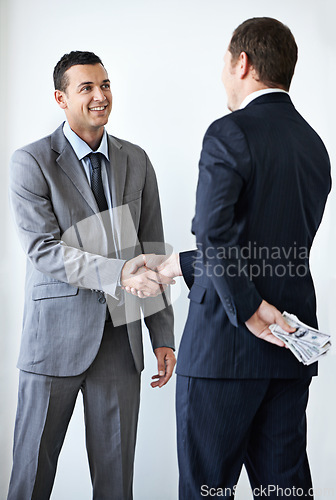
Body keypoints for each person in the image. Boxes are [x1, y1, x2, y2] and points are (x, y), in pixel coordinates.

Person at [125, 17, 331, 499]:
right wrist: (183, 264)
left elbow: (219, 237)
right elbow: (264, 250)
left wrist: (251, 309)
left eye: (225, 60)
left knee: (207, 492)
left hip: (224, 351)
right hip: (288, 353)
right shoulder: (314, 146)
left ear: (243, 62)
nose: (223, 71)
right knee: (286, 493)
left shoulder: (229, 132)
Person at [7, 50, 175, 500]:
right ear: (60, 98)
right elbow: (44, 250)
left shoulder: (136, 160)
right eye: (87, 88)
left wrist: (162, 334)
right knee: (30, 477)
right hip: (53, 341)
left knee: (116, 484)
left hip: (121, 343)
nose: (100, 96)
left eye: (105, 85)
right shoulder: (32, 161)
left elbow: (153, 249)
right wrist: (120, 272)